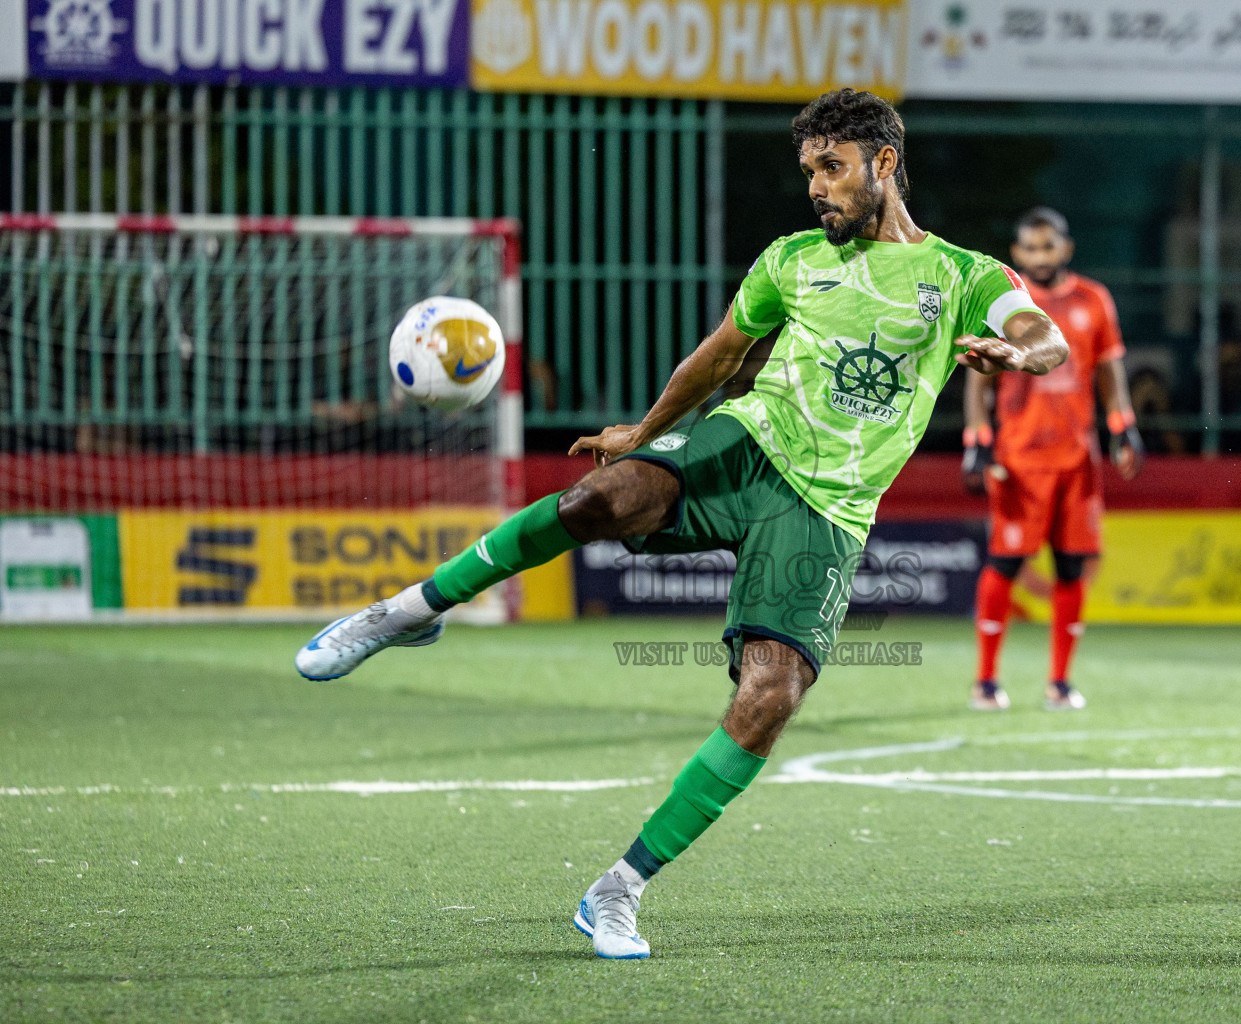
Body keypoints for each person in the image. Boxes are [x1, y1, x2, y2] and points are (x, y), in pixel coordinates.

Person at [293, 90, 1067, 960]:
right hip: (750, 441)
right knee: (598, 500)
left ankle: (616, 889)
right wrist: (648, 433)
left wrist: (1019, 355)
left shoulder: (963, 276)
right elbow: (721, 357)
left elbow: (1045, 334)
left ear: (883, 164)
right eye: (809, 169)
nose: (816, 187)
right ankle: (404, 613)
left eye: (832, 168)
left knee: (769, 699)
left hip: (828, 512)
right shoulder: (790, 260)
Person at [962, 207, 1142, 713]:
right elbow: (979, 379)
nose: (1040, 256)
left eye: (1049, 246)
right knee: (1005, 562)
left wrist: (1122, 427)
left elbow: (1109, 369)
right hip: (1019, 460)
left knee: (1070, 567)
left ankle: (1060, 682)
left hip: (1076, 460)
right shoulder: (1006, 303)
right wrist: (976, 441)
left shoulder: (1093, 300)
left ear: (1066, 248)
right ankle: (985, 680)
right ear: (1016, 254)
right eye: (1030, 248)